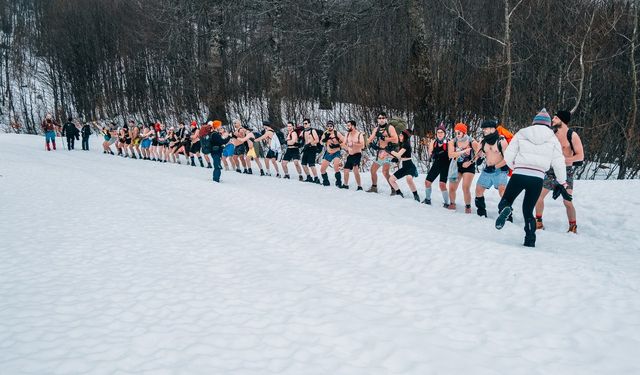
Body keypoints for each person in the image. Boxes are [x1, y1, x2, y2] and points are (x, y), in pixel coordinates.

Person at [495, 108, 570, 247]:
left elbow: (509, 154)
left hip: (519, 174)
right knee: (528, 210)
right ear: (548, 124)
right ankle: (530, 239)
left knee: (506, 200)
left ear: (534, 122)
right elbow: (559, 162)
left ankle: (507, 208)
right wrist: (562, 181)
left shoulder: (522, 133)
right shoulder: (552, 138)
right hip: (537, 178)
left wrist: (514, 167)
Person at [534, 110, 584, 233]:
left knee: (567, 201)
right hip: (550, 172)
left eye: (555, 118)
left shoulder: (572, 135)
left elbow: (580, 156)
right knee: (538, 196)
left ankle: (573, 227)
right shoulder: (551, 134)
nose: (553, 120)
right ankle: (538, 222)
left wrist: (562, 160)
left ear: (563, 120)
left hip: (566, 171)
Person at [474, 120, 510, 218]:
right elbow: (477, 155)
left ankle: (506, 215)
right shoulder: (483, 141)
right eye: (483, 129)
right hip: (487, 170)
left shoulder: (501, 141)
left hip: (500, 170)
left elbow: (508, 159)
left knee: (502, 191)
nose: (484, 130)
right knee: (478, 191)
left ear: (493, 129)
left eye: (486, 128)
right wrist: (478, 159)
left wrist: (495, 167)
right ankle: (481, 213)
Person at [447, 123, 479, 213]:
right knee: (452, 187)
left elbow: (478, 154)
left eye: (459, 132)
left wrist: (471, 162)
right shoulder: (453, 141)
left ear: (464, 132)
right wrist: (464, 151)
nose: (457, 134)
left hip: (469, 166)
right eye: (456, 132)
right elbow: (450, 154)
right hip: (456, 166)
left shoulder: (472, 141)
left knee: (465, 187)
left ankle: (468, 206)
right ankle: (452, 203)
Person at [366, 112, 398, 194]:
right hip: (380, 153)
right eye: (379, 118)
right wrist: (368, 144)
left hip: (389, 152)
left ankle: (394, 189)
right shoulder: (376, 129)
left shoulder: (390, 128)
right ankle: (374, 187)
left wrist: (384, 138)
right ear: (377, 120)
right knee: (373, 170)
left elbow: (395, 139)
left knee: (385, 172)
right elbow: (370, 138)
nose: (381, 119)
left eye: (383, 118)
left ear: (386, 119)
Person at [389, 129, 420, 201]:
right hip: (404, 167)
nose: (399, 136)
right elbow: (400, 156)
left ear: (405, 136)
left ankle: (416, 195)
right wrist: (396, 159)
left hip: (410, 166)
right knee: (391, 179)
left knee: (409, 179)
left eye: (401, 135)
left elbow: (398, 154)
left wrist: (390, 151)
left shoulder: (406, 144)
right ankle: (399, 193)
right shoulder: (402, 144)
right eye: (399, 134)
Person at [423, 124, 451, 206]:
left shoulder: (449, 142)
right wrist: (432, 154)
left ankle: (446, 203)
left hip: (446, 165)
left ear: (444, 133)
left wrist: (439, 153)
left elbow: (451, 154)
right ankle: (427, 199)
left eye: (441, 132)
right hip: (436, 164)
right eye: (438, 132)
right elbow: (430, 153)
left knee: (442, 185)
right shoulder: (434, 142)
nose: (439, 134)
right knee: (427, 182)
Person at [319, 120, 345, 187]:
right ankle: (326, 182)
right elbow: (321, 142)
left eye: (331, 126)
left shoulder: (337, 133)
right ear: (326, 127)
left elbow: (345, 141)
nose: (329, 127)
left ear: (333, 126)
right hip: (329, 152)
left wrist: (338, 145)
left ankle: (338, 182)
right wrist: (325, 139)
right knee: (322, 169)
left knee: (336, 167)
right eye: (328, 126)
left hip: (336, 152)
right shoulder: (325, 133)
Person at [341, 120, 365, 191]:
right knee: (346, 169)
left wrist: (353, 144)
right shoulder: (347, 134)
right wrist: (347, 147)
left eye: (349, 125)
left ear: (353, 126)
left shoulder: (359, 134)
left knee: (355, 169)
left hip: (357, 154)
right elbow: (343, 144)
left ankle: (359, 186)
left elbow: (362, 146)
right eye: (347, 125)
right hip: (350, 154)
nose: (348, 127)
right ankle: (345, 185)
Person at [300, 118, 321, 183]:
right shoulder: (303, 131)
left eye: (306, 123)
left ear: (309, 124)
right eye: (303, 123)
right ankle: (309, 177)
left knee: (311, 164)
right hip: (306, 149)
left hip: (312, 148)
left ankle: (316, 178)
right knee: (303, 164)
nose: (304, 125)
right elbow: (301, 140)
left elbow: (317, 140)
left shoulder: (313, 131)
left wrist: (309, 144)